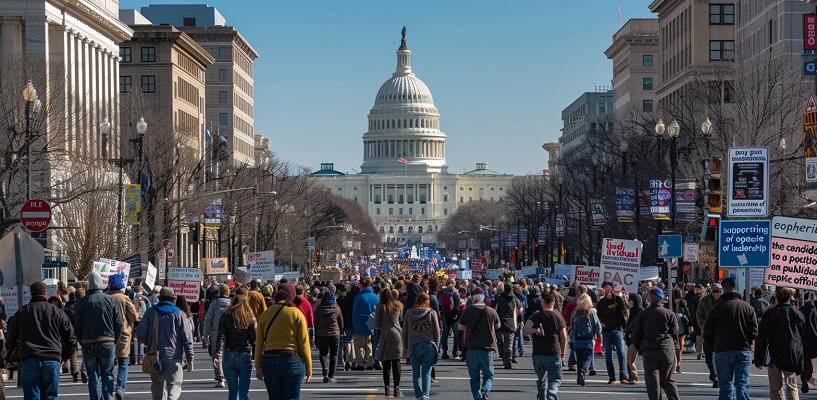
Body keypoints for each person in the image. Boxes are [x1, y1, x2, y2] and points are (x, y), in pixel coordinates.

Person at [7, 282, 75, 400]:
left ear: (31, 293)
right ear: (46, 293)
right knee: (50, 396)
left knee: (32, 396)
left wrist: (10, 354)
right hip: (51, 359)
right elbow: (70, 337)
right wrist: (64, 356)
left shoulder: (23, 312)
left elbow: (11, 336)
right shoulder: (57, 312)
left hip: (29, 358)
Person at [135, 287, 195, 400]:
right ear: (173, 299)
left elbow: (140, 333)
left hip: (155, 357)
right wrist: (190, 358)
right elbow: (187, 338)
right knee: (174, 388)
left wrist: (149, 342)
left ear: (160, 298)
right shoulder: (179, 314)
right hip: (174, 357)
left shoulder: (150, 312)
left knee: (158, 391)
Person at [255, 283, 312, 400]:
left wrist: (258, 366)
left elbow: (259, 343)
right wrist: (308, 368)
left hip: (269, 360)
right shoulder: (297, 314)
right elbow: (304, 343)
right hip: (292, 360)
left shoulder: (266, 314)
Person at [703, 278, 758, 400]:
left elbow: (707, 332)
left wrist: (717, 340)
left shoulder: (716, 309)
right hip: (743, 350)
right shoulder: (747, 308)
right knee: (742, 385)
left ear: (723, 289)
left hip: (722, 350)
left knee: (725, 386)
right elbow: (754, 331)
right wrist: (747, 341)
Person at [75, 271, 123, 400]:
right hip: (107, 340)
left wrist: (82, 340)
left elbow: (77, 326)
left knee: (93, 376)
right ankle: (108, 397)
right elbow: (119, 324)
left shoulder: (81, 302)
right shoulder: (110, 300)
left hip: (88, 342)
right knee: (107, 374)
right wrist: (114, 341)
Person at [754, 287, 804, 400]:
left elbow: (762, 337)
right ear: (790, 298)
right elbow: (802, 334)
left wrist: (759, 359)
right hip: (792, 353)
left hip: (774, 354)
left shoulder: (770, 314)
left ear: (777, 298)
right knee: (792, 386)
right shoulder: (797, 314)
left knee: (776, 389)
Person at [629, 289, 680, 400]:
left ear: (650, 298)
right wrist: (676, 350)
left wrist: (639, 347)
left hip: (649, 348)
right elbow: (675, 333)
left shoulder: (643, 314)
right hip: (666, 348)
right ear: (661, 299)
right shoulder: (669, 313)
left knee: (652, 382)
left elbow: (636, 333)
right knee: (667, 379)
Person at [522, 292, 566, 400]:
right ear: (554, 302)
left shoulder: (536, 316)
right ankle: (551, 395)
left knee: (541, 378)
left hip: (538, 353)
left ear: (542, 302)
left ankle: (542, 397)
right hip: (553, 352)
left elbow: (525, 331)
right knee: (555, 379)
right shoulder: (558, 317)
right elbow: (564, 336)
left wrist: (536, 330)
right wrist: (563, 353)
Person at [459, 288, 500, 400]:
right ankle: (485, 391)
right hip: (487, 348)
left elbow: (460, 327)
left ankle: (477, 397)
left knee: (474, 377)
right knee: (488, 375)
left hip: (471, 348)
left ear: (473, 298)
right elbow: (498, 326)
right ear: (483, 298)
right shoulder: (490, 311)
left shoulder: (467, 310)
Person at [214, 293, 257, 400]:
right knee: (243, 393)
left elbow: (221, 337)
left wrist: (217, 353)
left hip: (229, 353)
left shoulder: (226, 315)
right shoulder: (249, 316)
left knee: (232, 393)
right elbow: (254, 338)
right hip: (244, 352)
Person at [403, 293, 441, 400]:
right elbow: (437, 332)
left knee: (416, 374)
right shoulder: (431, 313)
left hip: (414, 345)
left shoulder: (409, 313)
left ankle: (419, 396)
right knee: (426, 373)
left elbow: (404, 331)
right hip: (429, 345)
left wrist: (405, 347)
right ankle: (425, 395)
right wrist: (437, 346)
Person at [108, 273, 137, 399]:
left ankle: (109, 388)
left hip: (109, 334)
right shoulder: (124, 298)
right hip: (124, 333)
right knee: (123, 362)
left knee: (110, 364)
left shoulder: (106, 298)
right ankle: (120, 388)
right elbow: (134, 316)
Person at [596, 282, 629, 384]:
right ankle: (611, 377)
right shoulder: (601, 302)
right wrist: (601, 323)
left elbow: (625, 309)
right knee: (608, 355)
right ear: (604, 289)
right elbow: (598, 315)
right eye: (606, 287)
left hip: (617, 329)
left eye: (610, 287)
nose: (608, 289)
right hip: (606, 331)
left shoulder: (617, 299)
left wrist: (619, 296)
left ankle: (623, 376)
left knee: (621, 353)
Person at [375, 288, 403, 397]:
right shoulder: (398, 305)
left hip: (385, 334)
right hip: (396, 332)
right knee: (396, 361)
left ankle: (387, 387)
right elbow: (400, 319)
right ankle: (397, 387)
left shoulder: (380, 306)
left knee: (386, 362)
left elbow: (377, 323)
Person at [569, 294, 601, 387]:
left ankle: (579, 375)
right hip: (588, 339)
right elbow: (596, 325)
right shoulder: (590, 312)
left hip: (577, 339)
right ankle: (583, 371)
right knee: (587, 358)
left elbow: (572, 325)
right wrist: (598, 334)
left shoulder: (575, 312)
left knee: (579, 359)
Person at [204, 284, 232, 388]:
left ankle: (220, 378)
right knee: (228, 353)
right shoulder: (232, 303)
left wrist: (206, 333)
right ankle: (229, 375)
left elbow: (208, 319)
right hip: (230, 331)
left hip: (216, 330)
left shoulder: (214, 303)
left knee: (217, 354)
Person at [696, 282, 722, 388]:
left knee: (720, 356)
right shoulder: (704, 300)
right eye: (715, 291)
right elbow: (699, 315)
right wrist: (704, 326)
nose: (717, 294)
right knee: (709, 356)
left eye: (719, 291)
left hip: (722, 333)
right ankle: (713, 372)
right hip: (709, 332)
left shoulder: (725, 301)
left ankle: (718, 376)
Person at [314, 291, 343, 383]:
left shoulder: (319, 308)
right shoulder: (336, 308)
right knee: (334, 355)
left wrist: (316, 332)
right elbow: (341, 321)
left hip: (321, 333)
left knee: (323, 353)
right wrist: (341, 332)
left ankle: (325, 371)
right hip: (334, 334)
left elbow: (316, 322)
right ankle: (331, 375)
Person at [352, 277, 379, 371]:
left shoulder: (359, 297)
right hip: (372, 322)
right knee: (369, 343)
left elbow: (355, 312)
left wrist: (354, 324)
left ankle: (360, 362)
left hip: (360, 322)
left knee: (359, 344)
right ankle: (370, 361)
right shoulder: (375, 297)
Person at [494, 282, 523, 369]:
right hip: (511, 323)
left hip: (499, 323)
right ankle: (507, 359)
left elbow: (494, 308)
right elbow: (520, 308)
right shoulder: (513, 298)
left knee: (500, 342)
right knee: (509, 343)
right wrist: (516, 314)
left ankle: (503, 357)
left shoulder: (499, 298)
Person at [623, 292, 643, 385]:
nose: (629, 302)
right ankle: (631, 376)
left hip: (635, 338)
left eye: (630, 301)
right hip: (631, 337)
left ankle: (633, 377)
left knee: (631, 360)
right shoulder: (633, 311)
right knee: (629, 359)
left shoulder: (640, 312)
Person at [439, 279, 461, 360]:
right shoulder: (455, 293)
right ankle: (455, 352)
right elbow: (458, 304)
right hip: (454, 316)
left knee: (445, 334)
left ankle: (444, 352)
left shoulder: (443, 293)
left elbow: (440, 304)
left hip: (445, 315)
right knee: (456, 334)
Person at [801, 292, 817, 393]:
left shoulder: (801, 311)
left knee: (806, 361)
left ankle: (805, 378)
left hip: (803, 339)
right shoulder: (814, 311)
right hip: (814, 338)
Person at [672, 290, 690, 374]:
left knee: (674, 346)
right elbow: (687, 313)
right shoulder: (683, 302)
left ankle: (675, 363)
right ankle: (678, 363)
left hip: (673, 328)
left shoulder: (669, 303)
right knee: (680, 346)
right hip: (682, 327)